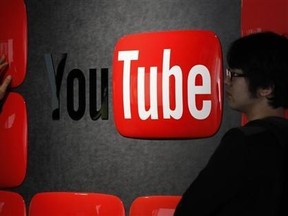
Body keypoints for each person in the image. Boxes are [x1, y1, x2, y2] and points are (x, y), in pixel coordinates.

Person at [174, 32, 288, 216]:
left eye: (234, 74)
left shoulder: (243, 142)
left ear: (266, 87)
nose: (226, 81)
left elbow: (190, 210)